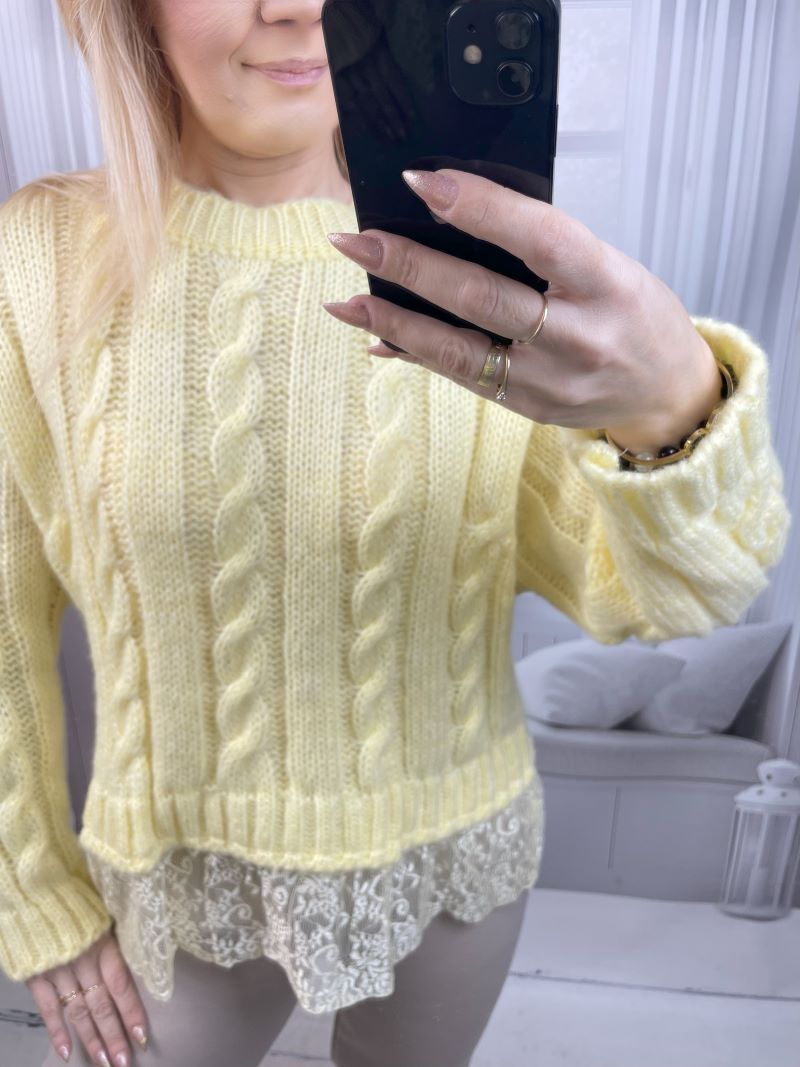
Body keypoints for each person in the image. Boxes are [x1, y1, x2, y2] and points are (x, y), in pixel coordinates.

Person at [0, 2, 790, 1066]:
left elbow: (678, 593)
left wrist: (673, 411)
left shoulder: (492, 269)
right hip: (179, 878)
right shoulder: (40, 259)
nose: (296, 10)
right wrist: (33, 893)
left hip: (454, 863)